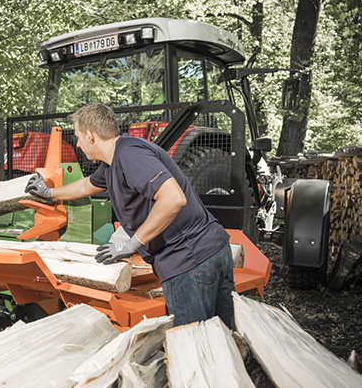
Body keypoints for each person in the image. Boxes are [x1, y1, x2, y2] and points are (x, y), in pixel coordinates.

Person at [25, 102, 236, 329]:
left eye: (77, 136)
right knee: (225, 338)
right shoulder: (113, 161)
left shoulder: (129, 155)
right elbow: (86, 186)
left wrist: (132, 243)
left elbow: (173, 199)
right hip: (210, 251)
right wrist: (49, 193)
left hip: (189, 260)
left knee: (196, 345)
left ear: (90, 136)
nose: (77, 143)